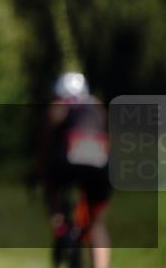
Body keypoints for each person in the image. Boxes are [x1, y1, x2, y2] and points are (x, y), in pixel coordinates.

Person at [38, 72, 112, 268]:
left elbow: (46, 144)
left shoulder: (58, 106)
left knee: (51, 189)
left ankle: (60, 227)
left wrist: (42, 170)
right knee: (97, 224)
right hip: (99, 159)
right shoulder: (97, 106)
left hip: (68, 158)